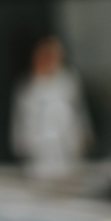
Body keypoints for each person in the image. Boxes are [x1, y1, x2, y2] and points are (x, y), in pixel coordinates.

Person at [13, 35, 91, 181]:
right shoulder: (29, 86)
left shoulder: (67, 82)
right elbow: (21, 120)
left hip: (66, 153)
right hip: (39, 156)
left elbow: (78, 112)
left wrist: (82, 135)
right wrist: (22, 144)